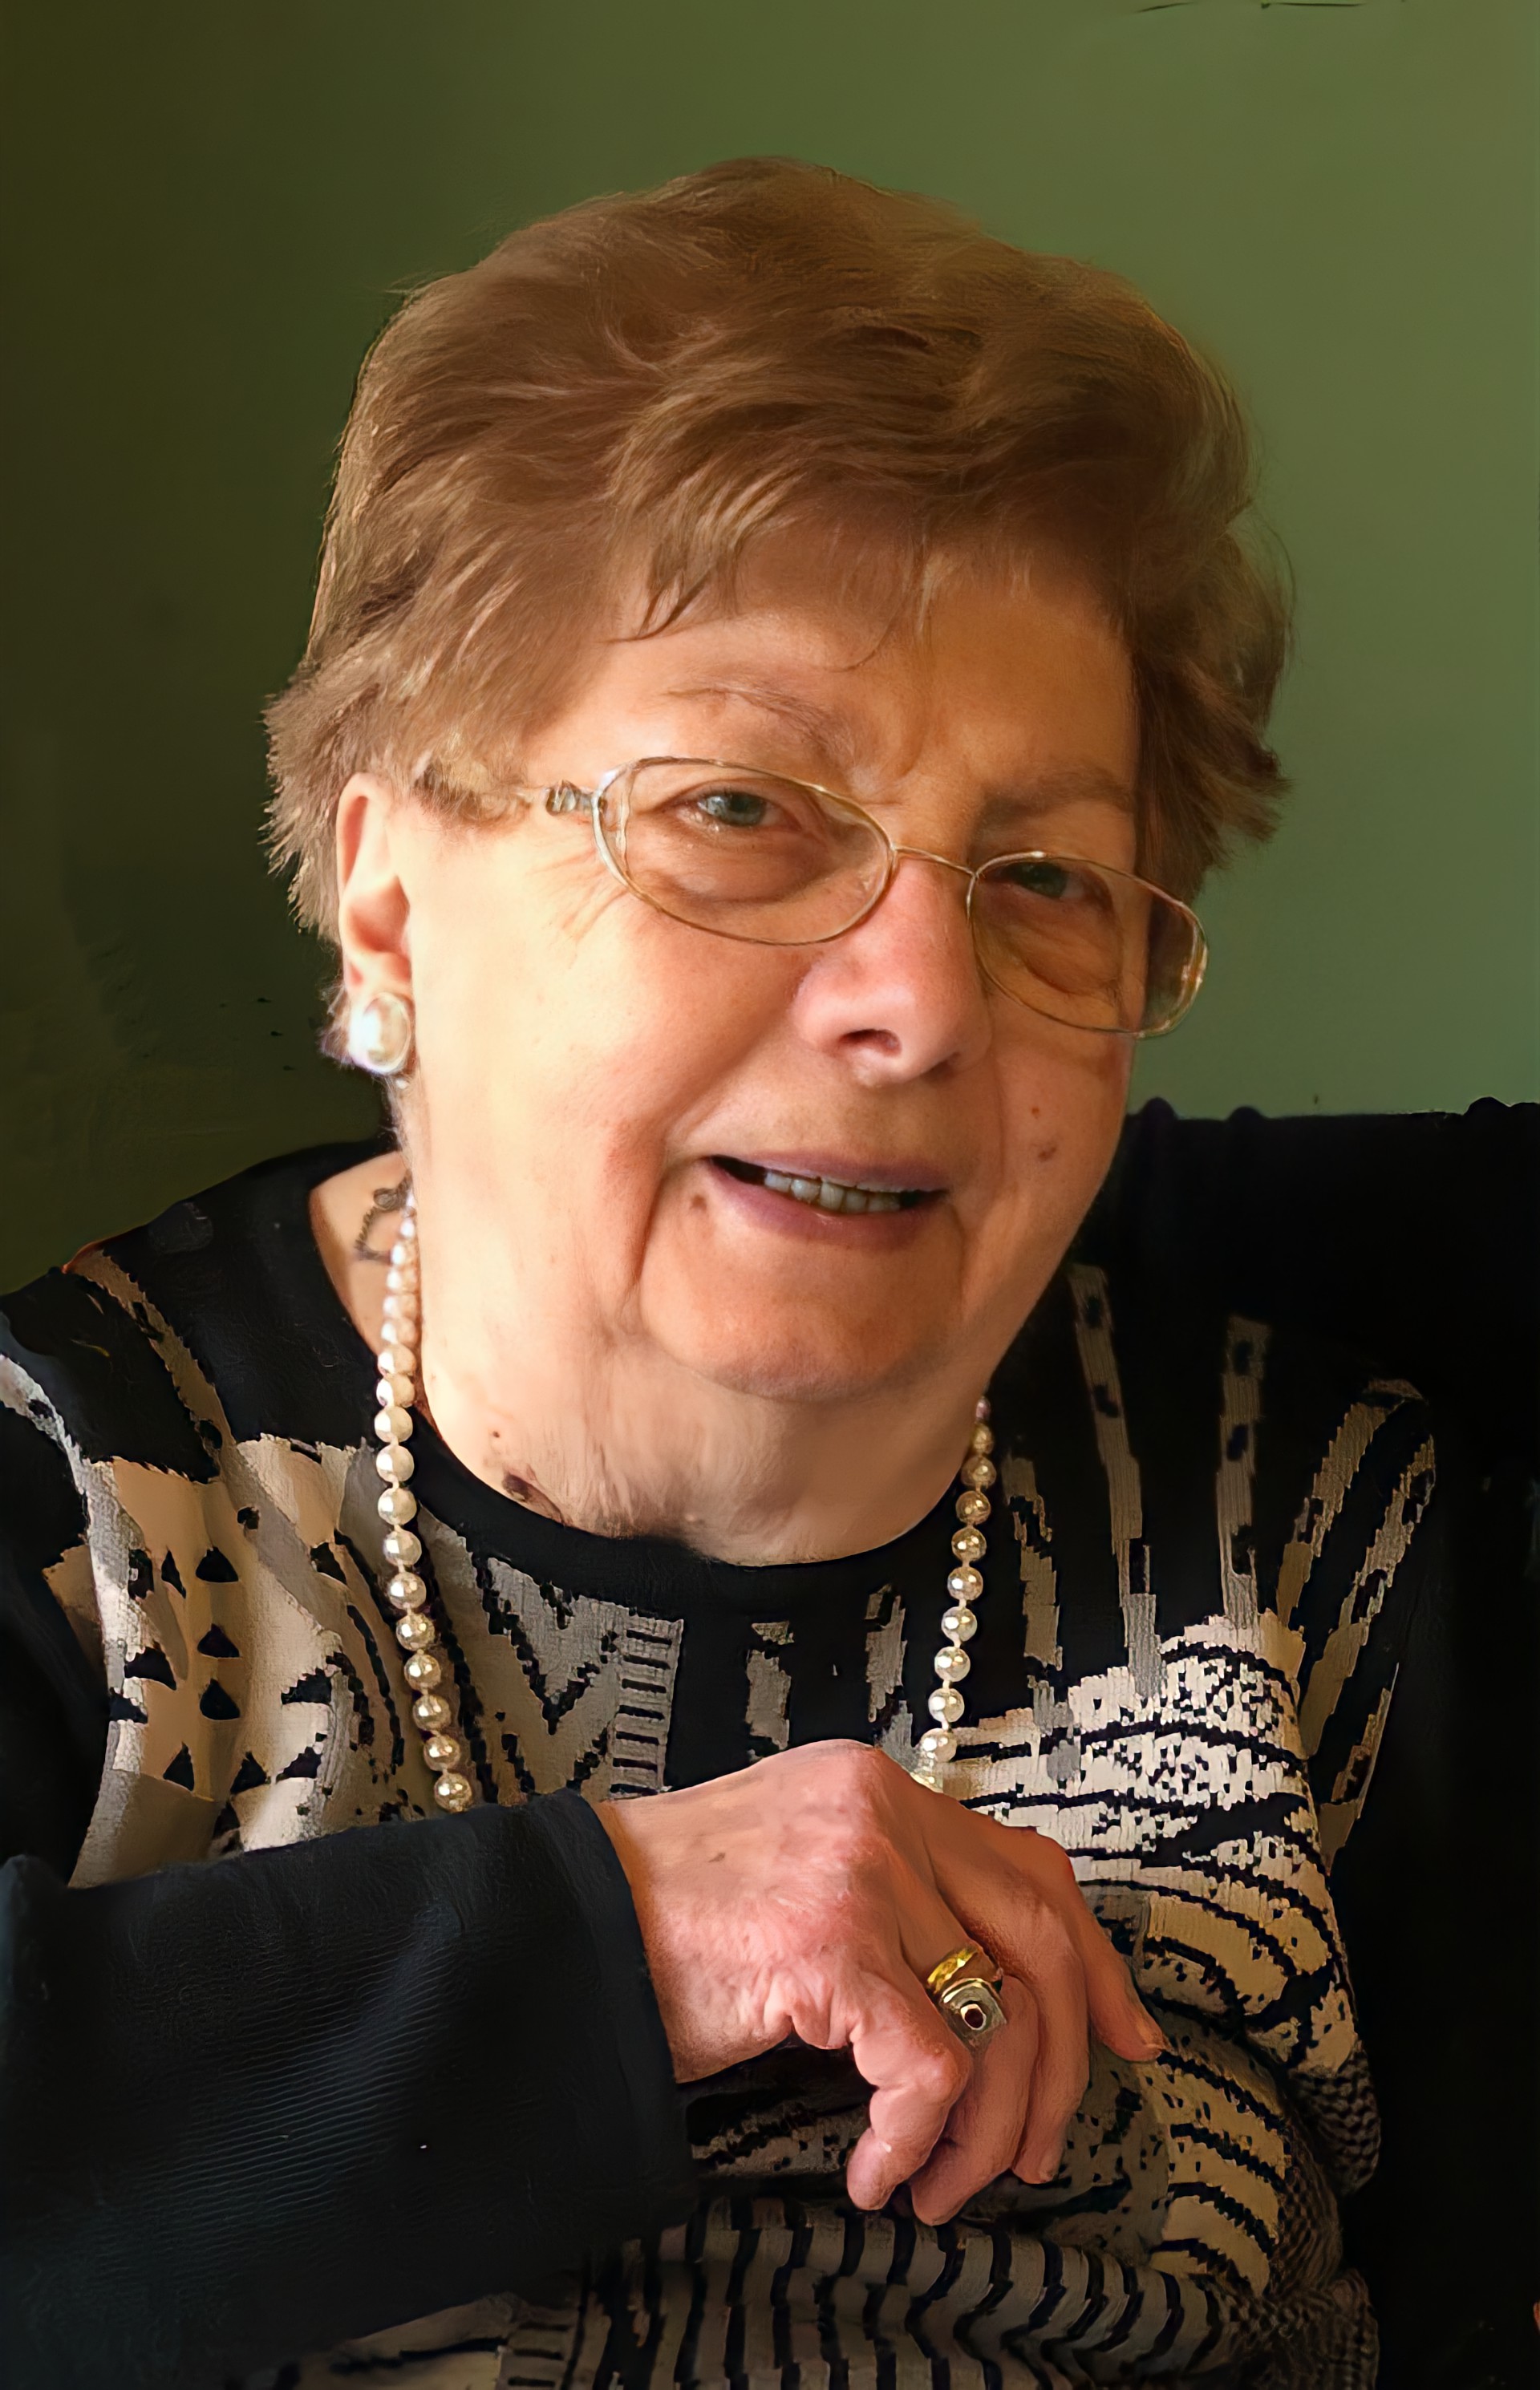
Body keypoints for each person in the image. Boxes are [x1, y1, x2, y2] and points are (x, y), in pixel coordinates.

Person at [1, 160, 1441, 2390]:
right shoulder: (72, 1498)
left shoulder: (1346, 1549)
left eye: (1045, 877)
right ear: (387, 899)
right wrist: (613, 1946)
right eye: (743, 810)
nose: (924, 1003)